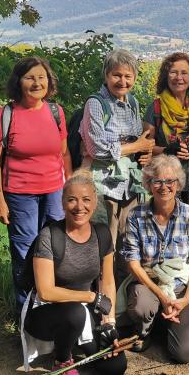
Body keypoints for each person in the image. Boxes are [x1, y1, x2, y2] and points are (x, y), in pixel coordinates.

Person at [0, 56, 71, 315]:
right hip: (20, 195)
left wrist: (70, 189)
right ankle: (28, 315)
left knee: (56, 249)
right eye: (30, 77)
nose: (37, 83)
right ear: (18, 82)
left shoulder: (56, 112)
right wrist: (0, 199)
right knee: (25, 253)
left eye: (41, 77)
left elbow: (64, 154)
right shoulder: (6, 115)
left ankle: (54, 307)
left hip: (55, 191)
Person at [22, 172, 127, 374]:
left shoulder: (102, 233)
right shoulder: (49, 235)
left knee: (115, 366)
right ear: (62, 203)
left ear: (95, 202)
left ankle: (78, 346)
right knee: (75, 313)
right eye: (72, 200)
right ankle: (62, 360)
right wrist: (90, 297)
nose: (80, 207)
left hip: (84, 311)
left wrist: (109, 322)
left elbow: (107, 282)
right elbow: (46, 291)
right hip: (47, 313)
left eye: (86, 200)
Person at [117, 155, 189, 364]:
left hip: (180, 287)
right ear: (149, 184)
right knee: (141, 304)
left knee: (184, 354)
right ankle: (146, 329)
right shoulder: (135, 215)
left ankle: (169, 322)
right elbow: (132, 263)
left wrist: (185, 299)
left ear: (178, 184)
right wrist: (160, 295)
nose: (164, 186)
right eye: (157, 181)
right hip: (148, 283)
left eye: (170, 181)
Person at [80, 49, 154, 246]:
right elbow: (96, 149)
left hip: (130, 185)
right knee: (104, 241)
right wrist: (135, 146)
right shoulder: (96, 104)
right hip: (104, 184)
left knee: (128, 241)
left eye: (128, 76)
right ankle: (105, 278)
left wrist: (143, 152)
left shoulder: (132, 102)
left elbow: (138, 139)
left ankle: (125, 278)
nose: (123, 81)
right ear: (106, 75)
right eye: (117, 75)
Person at [145, 52, 189, 215]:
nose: (179, 77)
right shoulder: (155, 108)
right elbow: (144, 146)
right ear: (166, 76)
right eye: (173, 72)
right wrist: (167, 151)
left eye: (184, 73)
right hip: (165, 184)